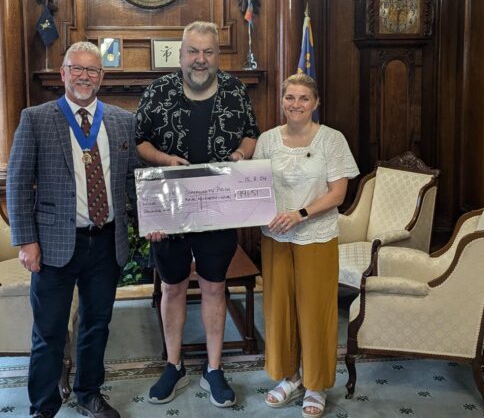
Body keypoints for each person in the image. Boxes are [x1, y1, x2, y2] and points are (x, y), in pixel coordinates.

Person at [6, 41, 139, 418]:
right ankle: (43, 407)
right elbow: (17, 183)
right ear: (62, 73)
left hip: (106, 243)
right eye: (76, 68)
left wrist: (152, 222)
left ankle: (88, 394)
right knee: (49, 333)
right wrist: (27, 241)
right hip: (53, 245)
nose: (84, 76)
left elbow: (131, 180)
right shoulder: (36, 118)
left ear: (102, 77)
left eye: (92, 70)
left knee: (96, 325)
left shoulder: (121, 120)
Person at [136, 21, 260, 408]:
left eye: (208, 52)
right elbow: (139, 141)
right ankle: (173, 365)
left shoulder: (236, 91)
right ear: (181, 53)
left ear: (217, 55)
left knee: (213, 286)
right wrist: (163, 158)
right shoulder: (158, 91)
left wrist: (240, 156)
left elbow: (251, 134)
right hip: (169, 206)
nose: (200, 60)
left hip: (217, 206)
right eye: (193, 51)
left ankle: (213, 368)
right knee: (172, 287)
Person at [253, 74, 359, 418]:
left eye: (303, 98)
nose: (295, 104)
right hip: (275, 238)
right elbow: (255, 187)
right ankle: (290, 377)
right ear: (281, 101)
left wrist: (300, 214)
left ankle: (316, 384)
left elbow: (338, 193)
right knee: (279, 309)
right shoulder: (267, 140)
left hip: (317, 236)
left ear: (315, 103)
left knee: (315, 312)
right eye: (289, 97)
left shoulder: (332, 139)